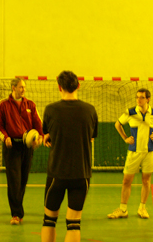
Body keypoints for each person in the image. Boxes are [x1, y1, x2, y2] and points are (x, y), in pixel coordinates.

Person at [41, 71, 98, 242]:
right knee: (74, 223)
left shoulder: (50, 110)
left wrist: (48, 137)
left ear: (59, 87)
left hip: (57, 173)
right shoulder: (90, 110)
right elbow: (91, 137)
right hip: (81, 173)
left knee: (49, 221)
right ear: (78, 85)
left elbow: (47, 134)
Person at [107, 88, 153, 219]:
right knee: (126, 181)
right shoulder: (130, 112)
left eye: (141, 97)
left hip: (149, 152)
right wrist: (125, 138)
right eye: (137, 97)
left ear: (148, 99)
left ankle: (142, 208)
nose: (138, 100)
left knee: (146, 181)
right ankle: (123, 209)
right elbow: (117, 124)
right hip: (134, 152)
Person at [0, 77, 43, 225]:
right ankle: (16, 213)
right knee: (14, 181)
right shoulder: (3, 105)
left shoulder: (30, 105)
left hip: (27, 147)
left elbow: (38, 124)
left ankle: (18, 210)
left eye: (24, 87)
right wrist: (5, 137)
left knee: (22, 181)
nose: (24, 90)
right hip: (12, 147)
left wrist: (41, 138)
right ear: (13, 88)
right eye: (21, 87)